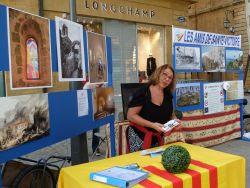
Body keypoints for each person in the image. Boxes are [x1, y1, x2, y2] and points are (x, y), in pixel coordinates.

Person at [127, 64, 182, 152]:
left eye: (170, 78)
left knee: (154, 164)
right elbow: (131, 116)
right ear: (158, 74)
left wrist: (175, 122)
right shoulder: (143, 92)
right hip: (138, 136)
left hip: (157, 137)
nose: (167, 79)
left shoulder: (168, 95)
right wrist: (152, 125)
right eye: (164, 74)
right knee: (141, 164)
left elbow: (171, 115)